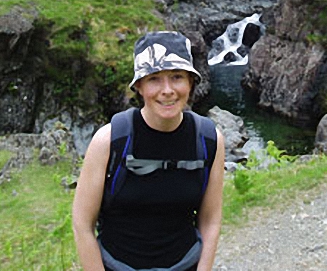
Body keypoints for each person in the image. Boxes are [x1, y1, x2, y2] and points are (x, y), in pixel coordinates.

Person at [72, 31, 225, 271]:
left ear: (190, 83)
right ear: (140, 87)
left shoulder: (208, 139)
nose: (167, 90)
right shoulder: (110, 140)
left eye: (176, 77)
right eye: (154, 78)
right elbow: (82, 223)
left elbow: (210, 219)